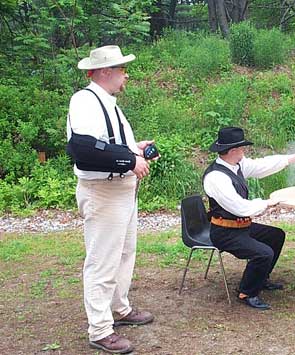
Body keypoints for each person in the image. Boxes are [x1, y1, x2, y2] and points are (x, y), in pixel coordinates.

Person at [67, 45, 155, 354]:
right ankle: (100, 329)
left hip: (121, 191)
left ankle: (120, 307)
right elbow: (84, 149)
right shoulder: (84, 101)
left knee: (124, 253)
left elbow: (108, 144)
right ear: (106, 72)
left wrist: (134, 149)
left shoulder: (108, 103)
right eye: (121, 69)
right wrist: (128, 161)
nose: (125, 75)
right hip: (103, 192)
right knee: (102, 260)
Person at [203, 127, 295, 310]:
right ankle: (246, 292)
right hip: (225, 233)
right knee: (264, 253)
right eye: (241, 148)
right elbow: (239, 207)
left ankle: (260, 279)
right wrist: (267, 203)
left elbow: (262, 166)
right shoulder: (216, 177)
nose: (244, 152)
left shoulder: (235, 165)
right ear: (233, 151)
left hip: (240, 227)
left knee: (276, 236)